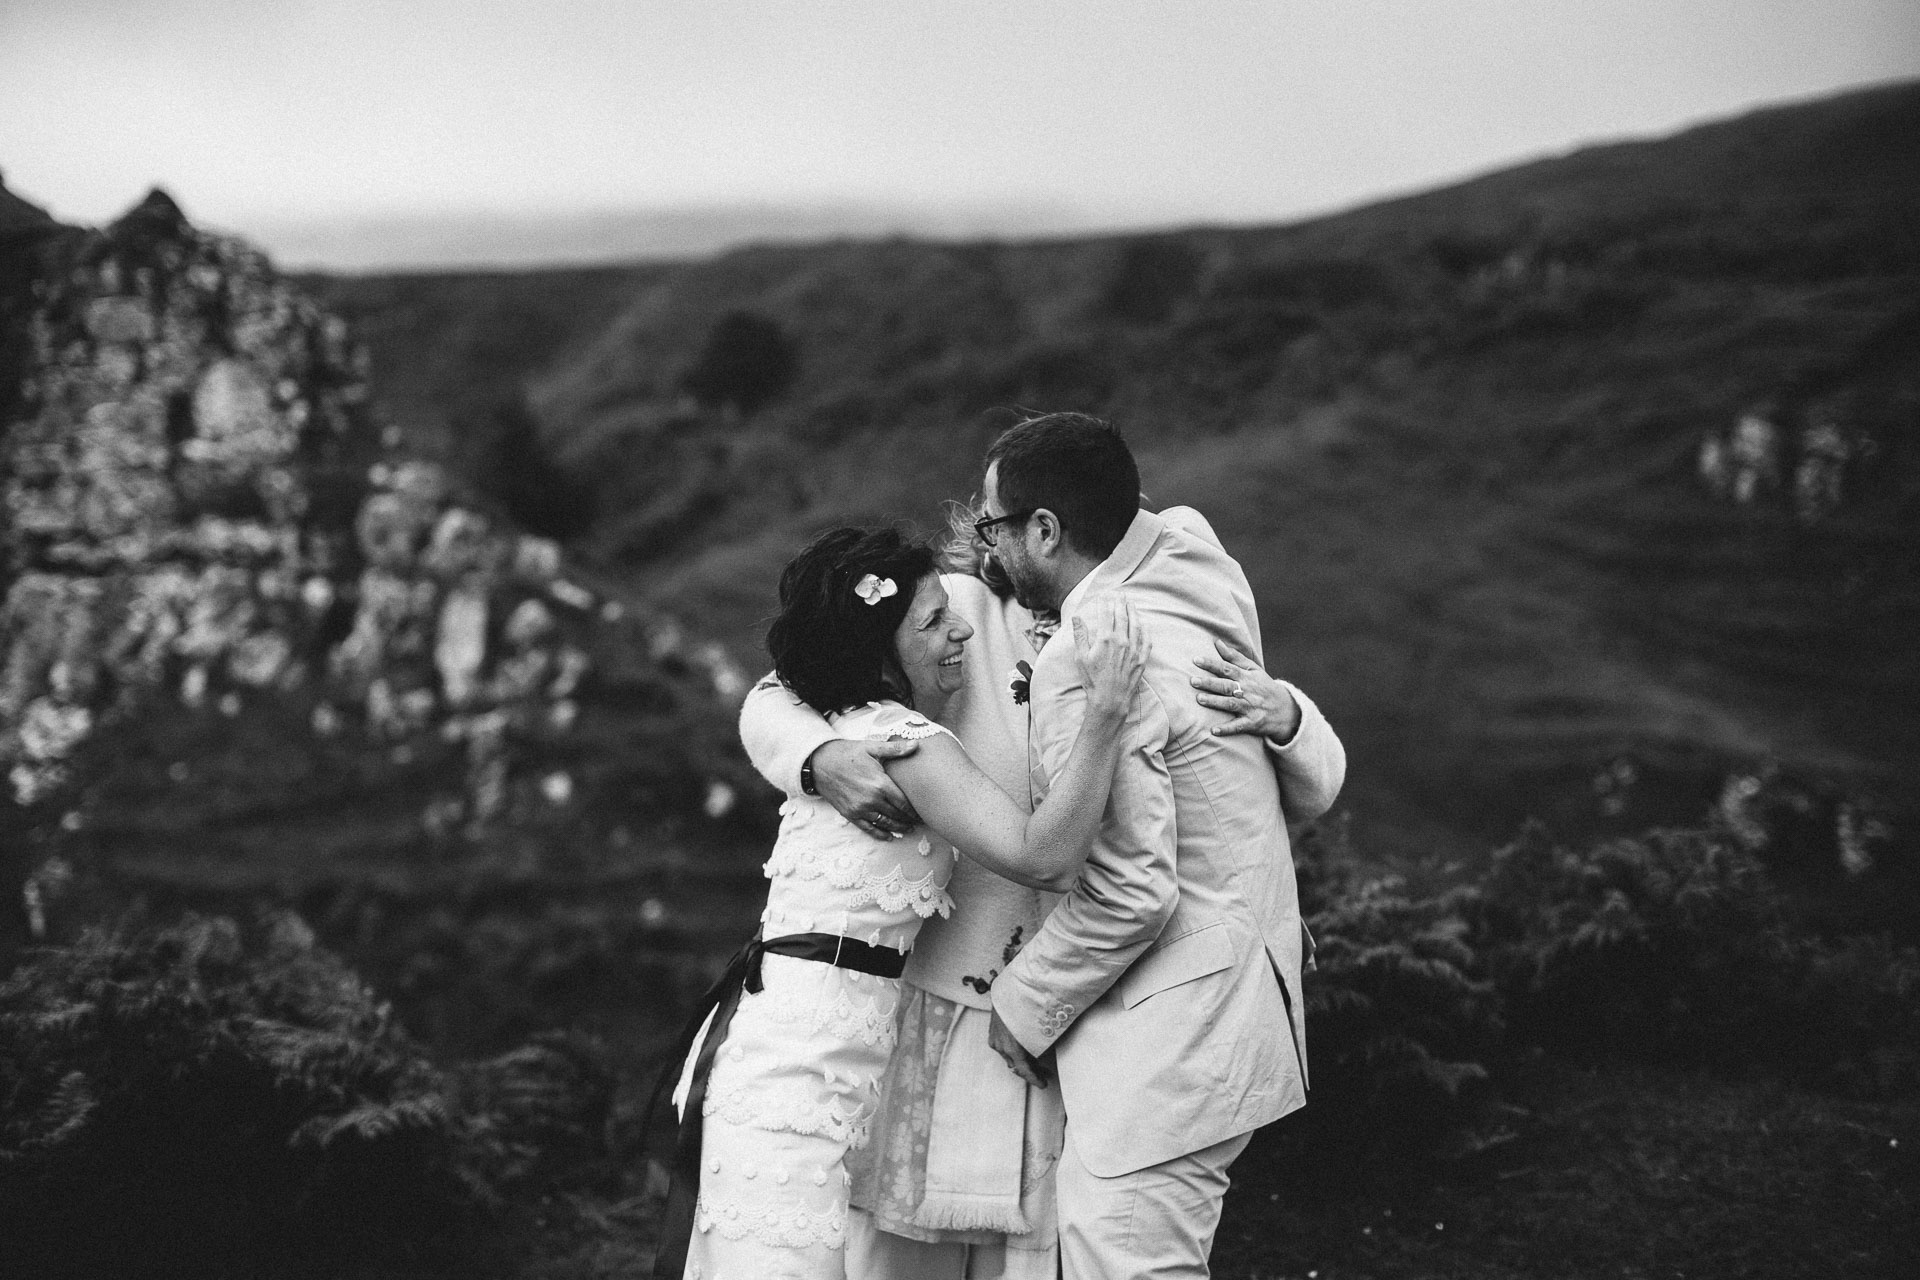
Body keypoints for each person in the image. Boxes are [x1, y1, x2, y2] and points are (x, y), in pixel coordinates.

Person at [741, 496, 1343, 1279]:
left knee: (1044, 1249)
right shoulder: (954, 609)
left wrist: (1287, 713)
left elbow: (1277, 790)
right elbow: (782, 687)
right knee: (898, 1251)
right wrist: (818, 756)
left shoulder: (1150, 621)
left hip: (1081, 1000)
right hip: (949, 997)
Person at [660, 525, 1148, 1280]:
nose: (959, 629)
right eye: (931, 622)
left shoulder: (845, 720)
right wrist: (1106, 715)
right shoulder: (905, 743)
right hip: (796, 1072)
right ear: (878, 651)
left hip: (803, 1052)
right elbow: (1045, 858)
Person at [980, 413, 1321, 1279]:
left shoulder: (1088, 661)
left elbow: (1130, 892)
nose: (989, 550)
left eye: (994, 528)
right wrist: (1290, 711)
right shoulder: (1196, 562)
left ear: (1045, 530)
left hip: (1171, 1048)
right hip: (1249, 988)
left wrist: (1023, 1007)